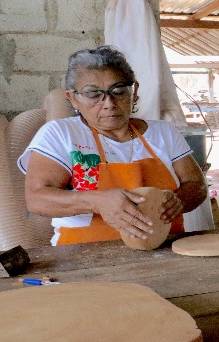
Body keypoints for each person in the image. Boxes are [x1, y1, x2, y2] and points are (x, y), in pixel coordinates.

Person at [18, 45, 207, 246]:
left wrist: (178, 201)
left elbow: (197, 185)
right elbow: (36, 199)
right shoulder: (61, 134)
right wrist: (96, 201)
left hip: (165, 248)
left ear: (134, 92)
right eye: (93, 94)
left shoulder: (163, 133)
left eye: (118, 91)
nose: (108, 103)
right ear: (73, 98)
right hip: (84, 254)